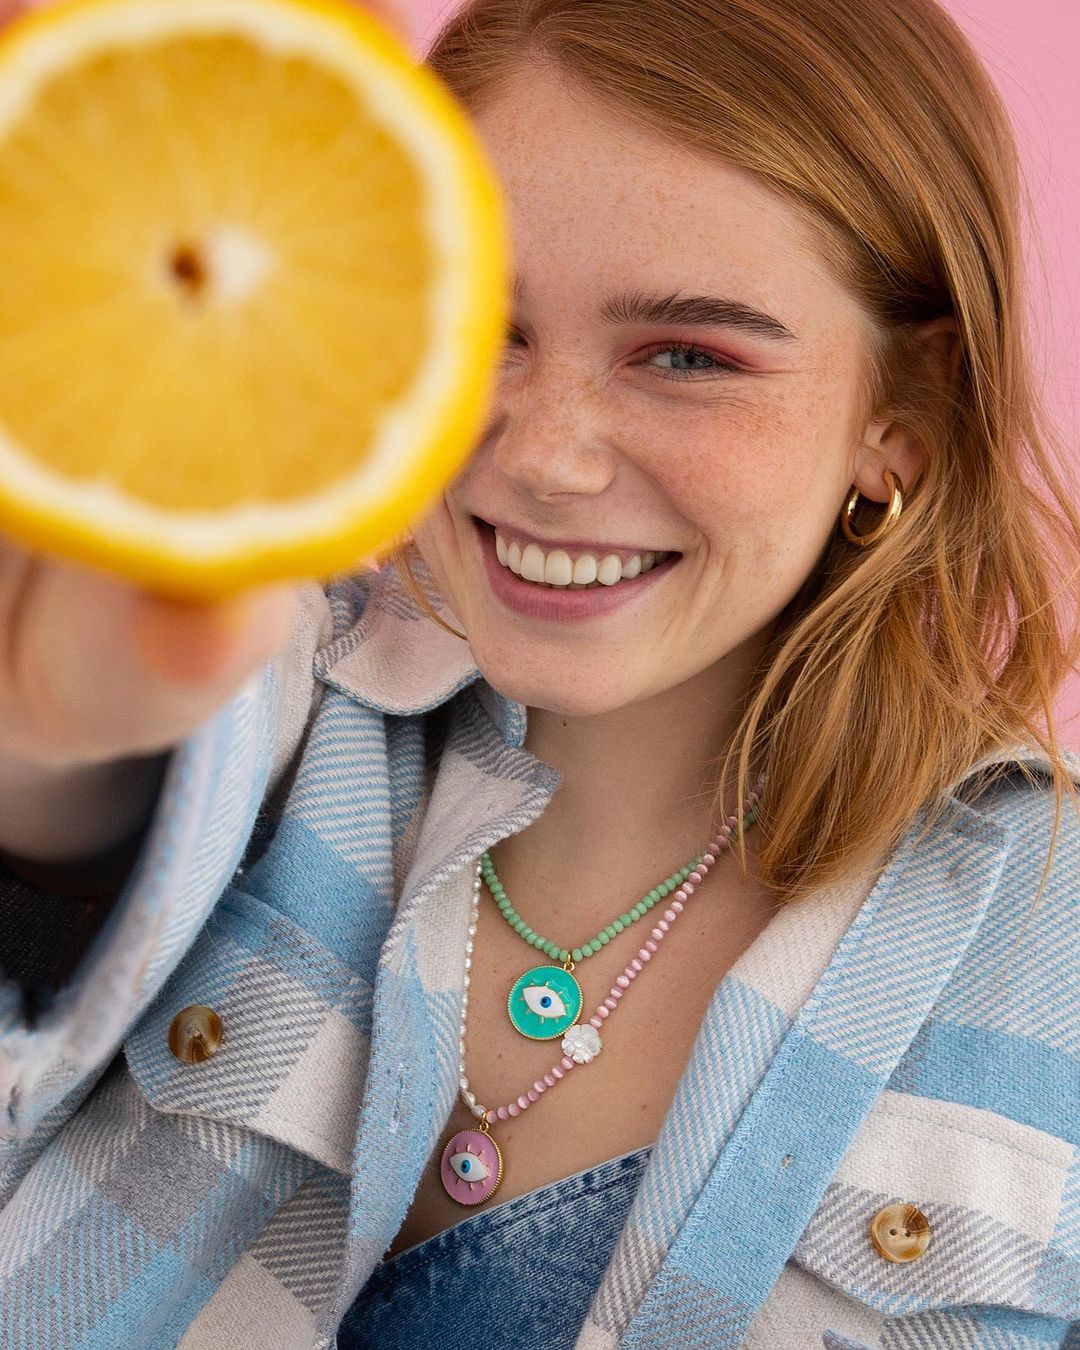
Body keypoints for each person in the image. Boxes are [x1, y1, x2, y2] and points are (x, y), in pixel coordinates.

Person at [0, 0, 1077, 1346]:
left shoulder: (1049, 948)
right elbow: (83, 792)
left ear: (900, 421)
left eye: (688, 357)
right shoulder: (267, 694)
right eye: (482, 330)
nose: (544, 456)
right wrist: (49, 747)